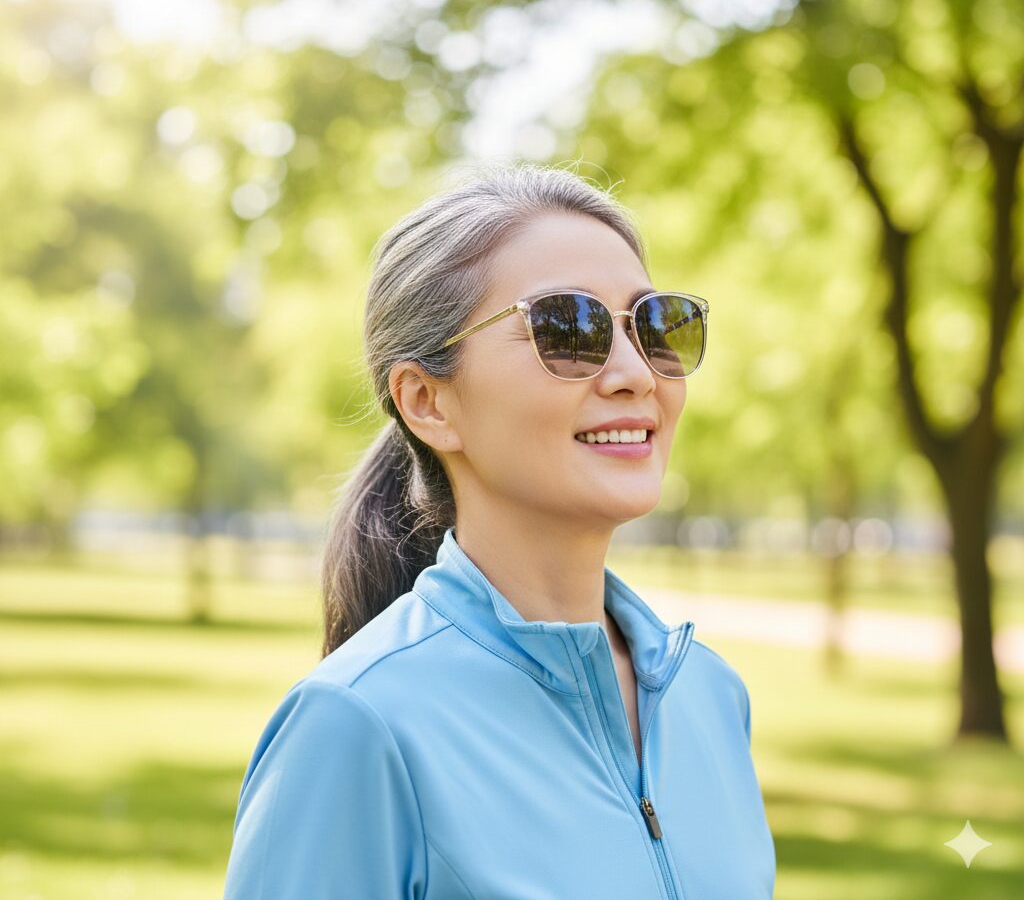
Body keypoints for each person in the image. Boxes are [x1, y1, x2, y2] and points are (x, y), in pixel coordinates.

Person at [223, 161, 777, 899]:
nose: (635, 373)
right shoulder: (357, 725)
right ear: (427, 402)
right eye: (567, 328)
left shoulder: (709, 696)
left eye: (655, 326)